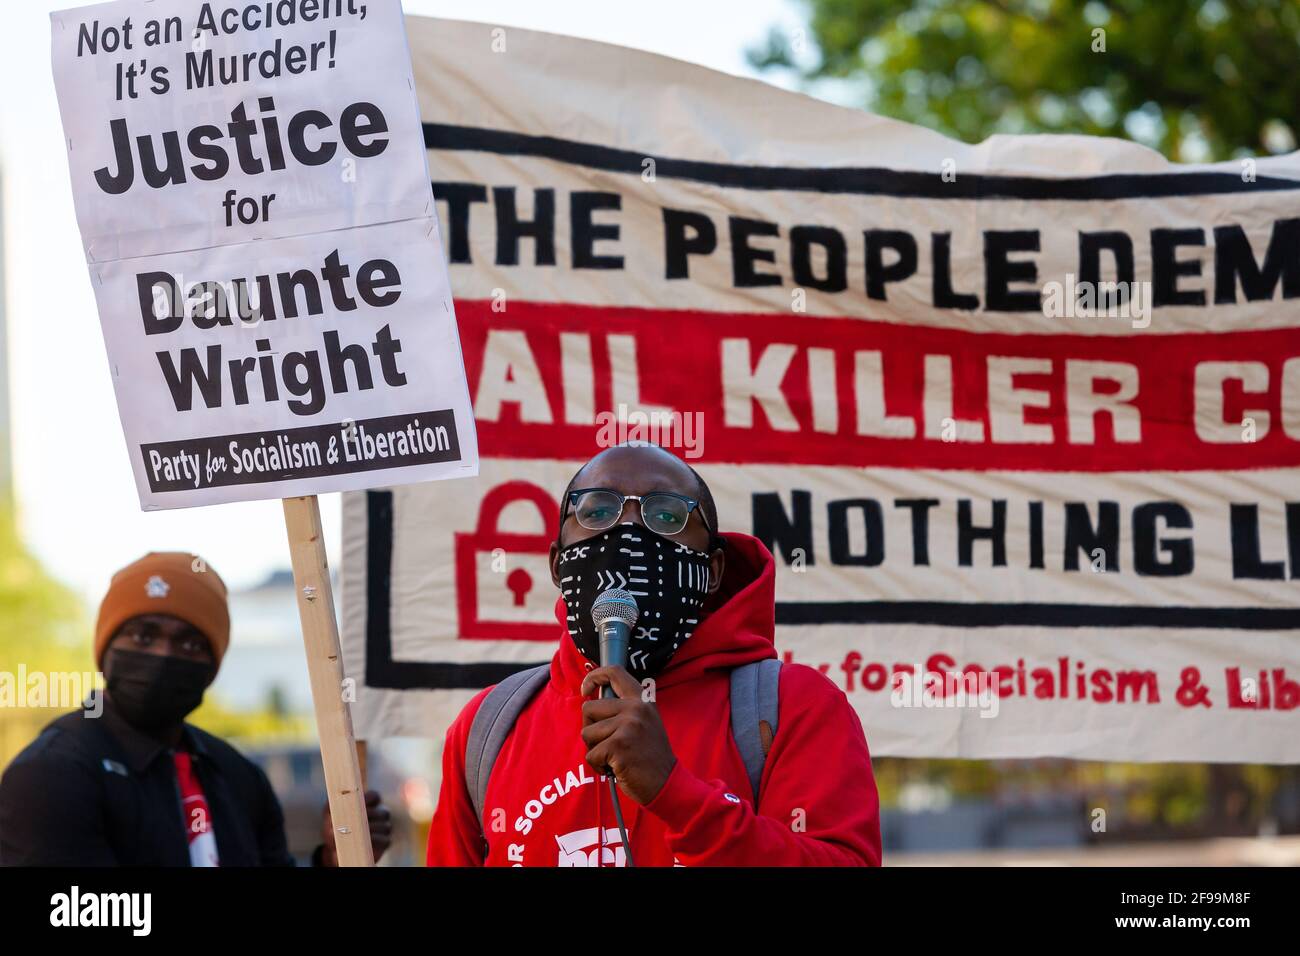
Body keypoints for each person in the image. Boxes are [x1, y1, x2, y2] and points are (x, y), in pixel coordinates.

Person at [427, 444, 882, 866]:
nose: (628, 533)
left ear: (713, 569)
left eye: (666, 515)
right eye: (597, 511)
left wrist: (676, 793)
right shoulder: (485, 729)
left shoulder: (795, 706)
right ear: (556, 563)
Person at [0, 552, 391, 866]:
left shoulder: (238, 777)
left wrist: (336, 860)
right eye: (143, 635)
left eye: (190, 644)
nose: (163, 655)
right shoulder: (51, 775)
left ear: (213, 665)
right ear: (105, 648)